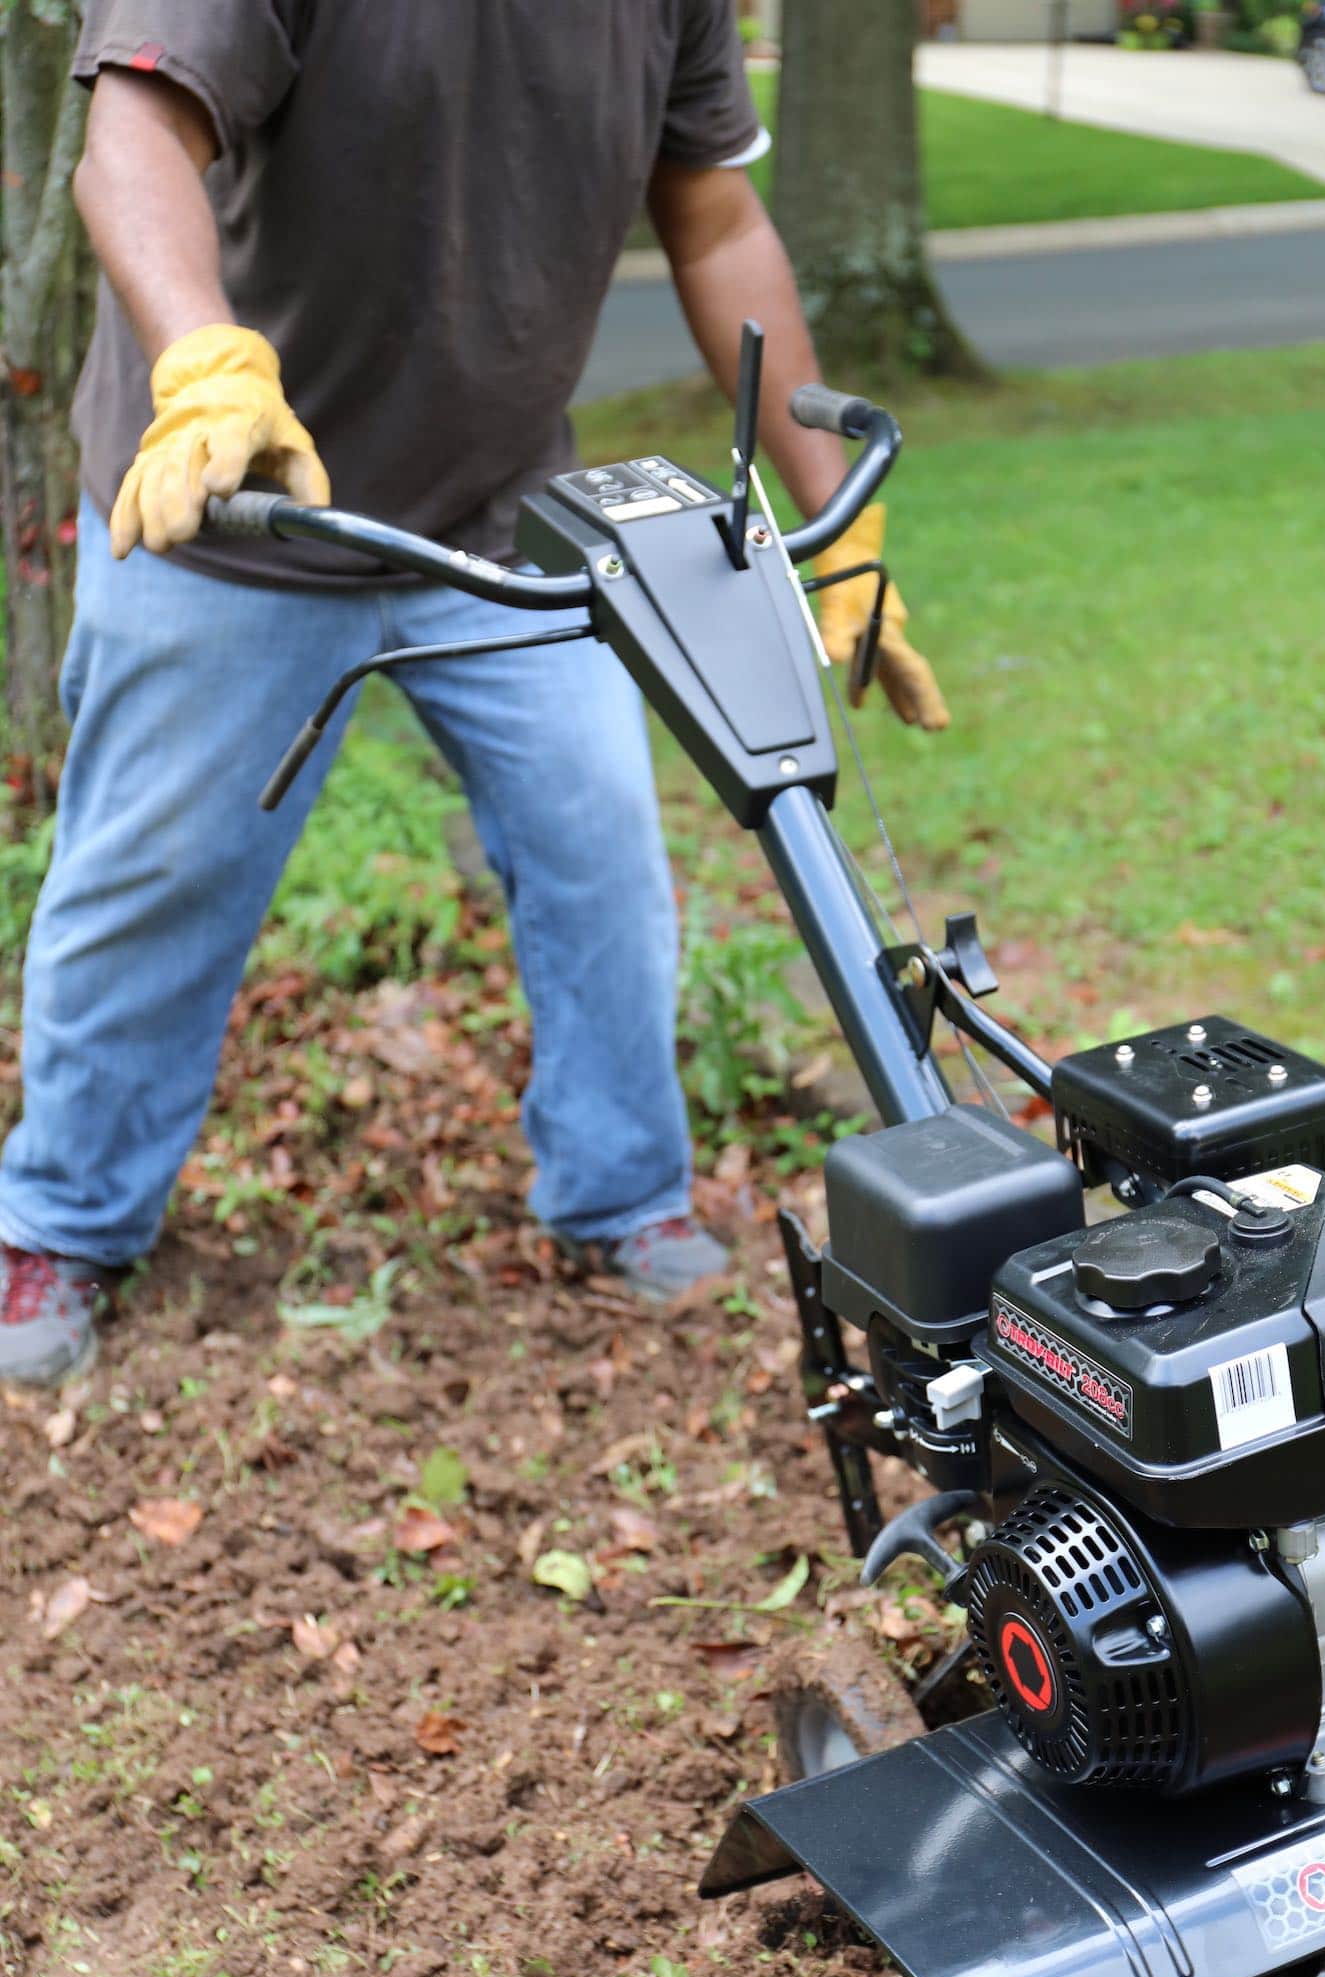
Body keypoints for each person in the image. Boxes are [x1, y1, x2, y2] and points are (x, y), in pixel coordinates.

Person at [0, 1, 949, 1387]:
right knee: (153, 883)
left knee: (603, 859)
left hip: (496, 532)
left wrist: (841, 535)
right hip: (236, 512)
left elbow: (717, 220)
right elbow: (132, 136)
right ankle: (60, 1224)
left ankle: (621, 1195)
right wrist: (204, 362)